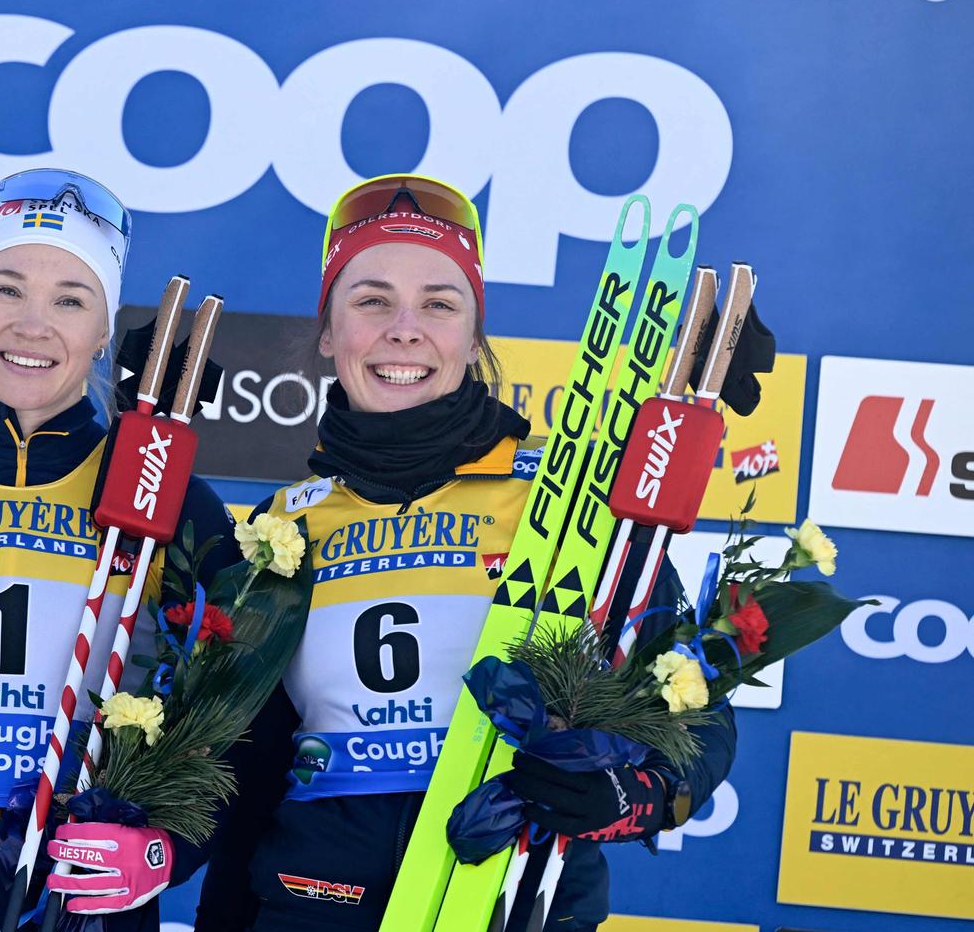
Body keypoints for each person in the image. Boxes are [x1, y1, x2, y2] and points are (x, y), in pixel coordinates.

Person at [194, 175, 737, 931]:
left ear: (475, 334)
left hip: (510, 890)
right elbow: (234, 769)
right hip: (313, 898)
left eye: (440, 304)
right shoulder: (281, 527)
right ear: (328, 331)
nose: (404, 329)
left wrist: (628, 798)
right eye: (371, 299)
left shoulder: (565, 499)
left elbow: (693, 708)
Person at [0, 169, 239, 930]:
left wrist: (166, 849)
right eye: (6, 288)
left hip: (84, 894)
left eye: (71, 300)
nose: (33, 326)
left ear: (104, 330)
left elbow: (248, 713)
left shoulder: (164, 495)